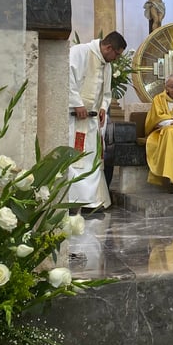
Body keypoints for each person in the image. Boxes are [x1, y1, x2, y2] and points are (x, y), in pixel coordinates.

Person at [68, 31, 127, 210]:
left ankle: (89, 201)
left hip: (92, 120)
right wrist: (77, 104)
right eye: (116, 54)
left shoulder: (106, 64)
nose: (116, 59)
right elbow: (66, 78)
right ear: (108, 47)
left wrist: (102, 107)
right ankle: (73, 201)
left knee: (91, 160)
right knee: (76, 159)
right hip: (75, 118)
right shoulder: (79, 52)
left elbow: (106, 92)